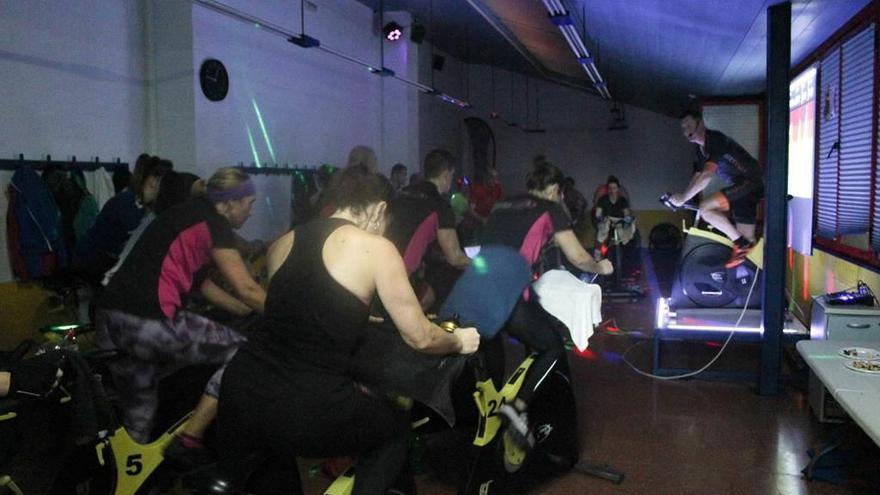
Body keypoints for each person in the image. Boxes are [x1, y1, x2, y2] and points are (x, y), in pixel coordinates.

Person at [217, 166, 480, 494]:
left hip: (241, 392)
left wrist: (354, 317)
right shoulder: (375, 247)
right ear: (379, 210)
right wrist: (458, 341)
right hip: (300, 404)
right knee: (395, 429)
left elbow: (298, 312)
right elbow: (421, 336)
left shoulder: (282, 243)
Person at [95, 167, 266, 444]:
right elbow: (247, 288)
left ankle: (128, 478)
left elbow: (201, 285)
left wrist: (244, 311)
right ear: (231, 203)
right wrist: (290, 312)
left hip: (110, 318)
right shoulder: (215, 223)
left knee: (139, 416)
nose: (251, 211)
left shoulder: (186, 214)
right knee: (246, 354)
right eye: (250, 204)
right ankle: (190, 439)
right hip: (148, 321)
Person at [480, 161, 612, 450]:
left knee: (496, 348)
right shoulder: (550, 207)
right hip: (506, 294)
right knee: (552, 347)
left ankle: (490, 412)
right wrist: (601, 267)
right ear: (554, 190)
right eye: (559, 193)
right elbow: (578, 257)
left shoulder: (503, 205)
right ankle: (517, 409)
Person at [668, 109, 764, 268]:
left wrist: (683, 198)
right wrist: (682, 197)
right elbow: (697, 177)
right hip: (743, 190)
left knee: (705, 208)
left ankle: (741, 243)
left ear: (700, 123)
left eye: (689, 125)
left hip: (750, 183)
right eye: (684, 128)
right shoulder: (701, 149)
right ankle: (748, 277)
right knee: (747, 251)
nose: (686, 131)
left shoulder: (714, 140)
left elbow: (706, 176)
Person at [386, 149, 471, 308]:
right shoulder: (440, 205)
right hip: (402, 279)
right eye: (451, 176)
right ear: (446, 174)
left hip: (381, 268)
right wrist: (481, 264)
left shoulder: (401, 194)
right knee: (445, 282)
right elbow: (455, 258)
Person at [73, 154, 172, 285]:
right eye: (167, 182)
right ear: (153, 181)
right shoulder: (128, 204)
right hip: (91, 260)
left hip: (101, 258)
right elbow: (136, 244)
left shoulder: (140, 204)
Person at [595, 176, 635, 248]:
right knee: (601, 234)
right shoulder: (602, 199)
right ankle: (598, 254)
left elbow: (626, 213)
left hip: (619, 222)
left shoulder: (622, 200)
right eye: (610, 188)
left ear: (617, 189)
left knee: (630, 227)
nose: (612, 191)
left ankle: (624, 245)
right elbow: (598, 213)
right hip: (606, 221)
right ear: (607, 189)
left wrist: (627, 220)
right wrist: (601, 218)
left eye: (614, 188)